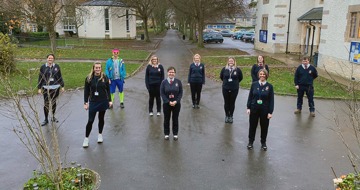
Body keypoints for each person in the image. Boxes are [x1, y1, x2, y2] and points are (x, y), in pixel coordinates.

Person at [83, 62, 112, 148]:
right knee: (90, 120)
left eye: (99, 68)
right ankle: (86, 138)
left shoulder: (104, 77)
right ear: (93, 68)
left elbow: (108, 89)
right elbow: (86, 91)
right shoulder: (89, 78)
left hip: (103, 101)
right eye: (96, 68)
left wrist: (110, 100)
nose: (98, 69)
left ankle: (100, 134)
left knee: (101, 118)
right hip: (93, 101)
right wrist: (85, 102)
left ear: (101, 68)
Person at [246, 69, 274, 151]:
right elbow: (250, 96)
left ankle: (263, 142)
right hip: (254, 108)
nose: (262, 75)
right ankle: (250, 142)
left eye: (264, 74)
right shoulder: (254, 84)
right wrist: (248, 107)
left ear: (266, 76)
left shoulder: (270, 86)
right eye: (261, 74)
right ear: (259, 75)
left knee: (264, 127)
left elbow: (271, 100)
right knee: (252, 126)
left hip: (264, 110)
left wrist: (270, 112)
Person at [37, 54, 64, 126]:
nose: (50, 59)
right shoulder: (43, 67)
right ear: (47, 59)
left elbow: (59, 76)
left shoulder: (56, 66)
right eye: (49, 58)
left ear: (53, 59)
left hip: (55, 87)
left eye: (51, 58)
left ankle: (53, 117)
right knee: (46, 103)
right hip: (46, 88)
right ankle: (46, 119)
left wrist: (62, 86)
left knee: (53, 102)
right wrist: (39, 88)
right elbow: (40, 77)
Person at [160, 67, 183, 140]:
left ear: (175, 73)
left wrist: (176, 101)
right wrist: (168, 101)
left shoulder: (178, 82)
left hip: (176, 104)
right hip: (167, 104)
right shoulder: (163, 82)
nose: (171, 73)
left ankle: (175, 134)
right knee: (166, 119)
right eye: (170, 72)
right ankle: (166, 134)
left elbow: (181, 93)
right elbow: (162, 93)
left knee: (175, 118)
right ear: (167, 73)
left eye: (172, 72)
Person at [220, 57, 243, 123]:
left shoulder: (237, 70)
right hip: (225, 88)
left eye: (232, 61)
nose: (231, 62)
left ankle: (231, 116)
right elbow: (221, 77)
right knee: (226, 102)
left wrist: (235, 83)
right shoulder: (224, 69)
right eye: (229, 61)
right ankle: (227, 115)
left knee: (232, 103)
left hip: (234, 89)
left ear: (234, 62)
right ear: (227, 61)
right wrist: (226, 83)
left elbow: (241, 78)